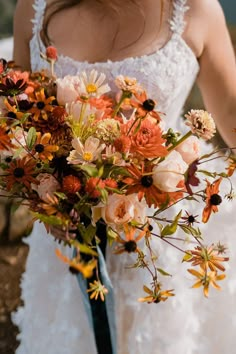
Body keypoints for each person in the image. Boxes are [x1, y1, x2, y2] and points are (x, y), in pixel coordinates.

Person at [12, 0, 236, 353]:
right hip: (70, 236)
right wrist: (44, 194)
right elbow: (18, 122)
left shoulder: (197, 11)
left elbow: (231, 115)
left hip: (162, 238)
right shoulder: (34, 8)